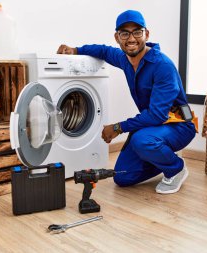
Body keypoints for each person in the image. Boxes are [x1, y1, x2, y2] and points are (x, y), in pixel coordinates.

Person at [57, 10, 196, 194]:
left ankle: (176, 168)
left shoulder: (162, 66)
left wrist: (117, 128)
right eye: (125, 33)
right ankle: (164, 155)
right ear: (117, 37)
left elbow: (157, 115)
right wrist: (76, 50)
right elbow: (103, 51)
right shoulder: (125, 59)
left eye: (137, 32)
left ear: (147, 34)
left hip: (179, 125)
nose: (131, 39)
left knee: (142, 140)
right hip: (155, 127)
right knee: (122, 177)